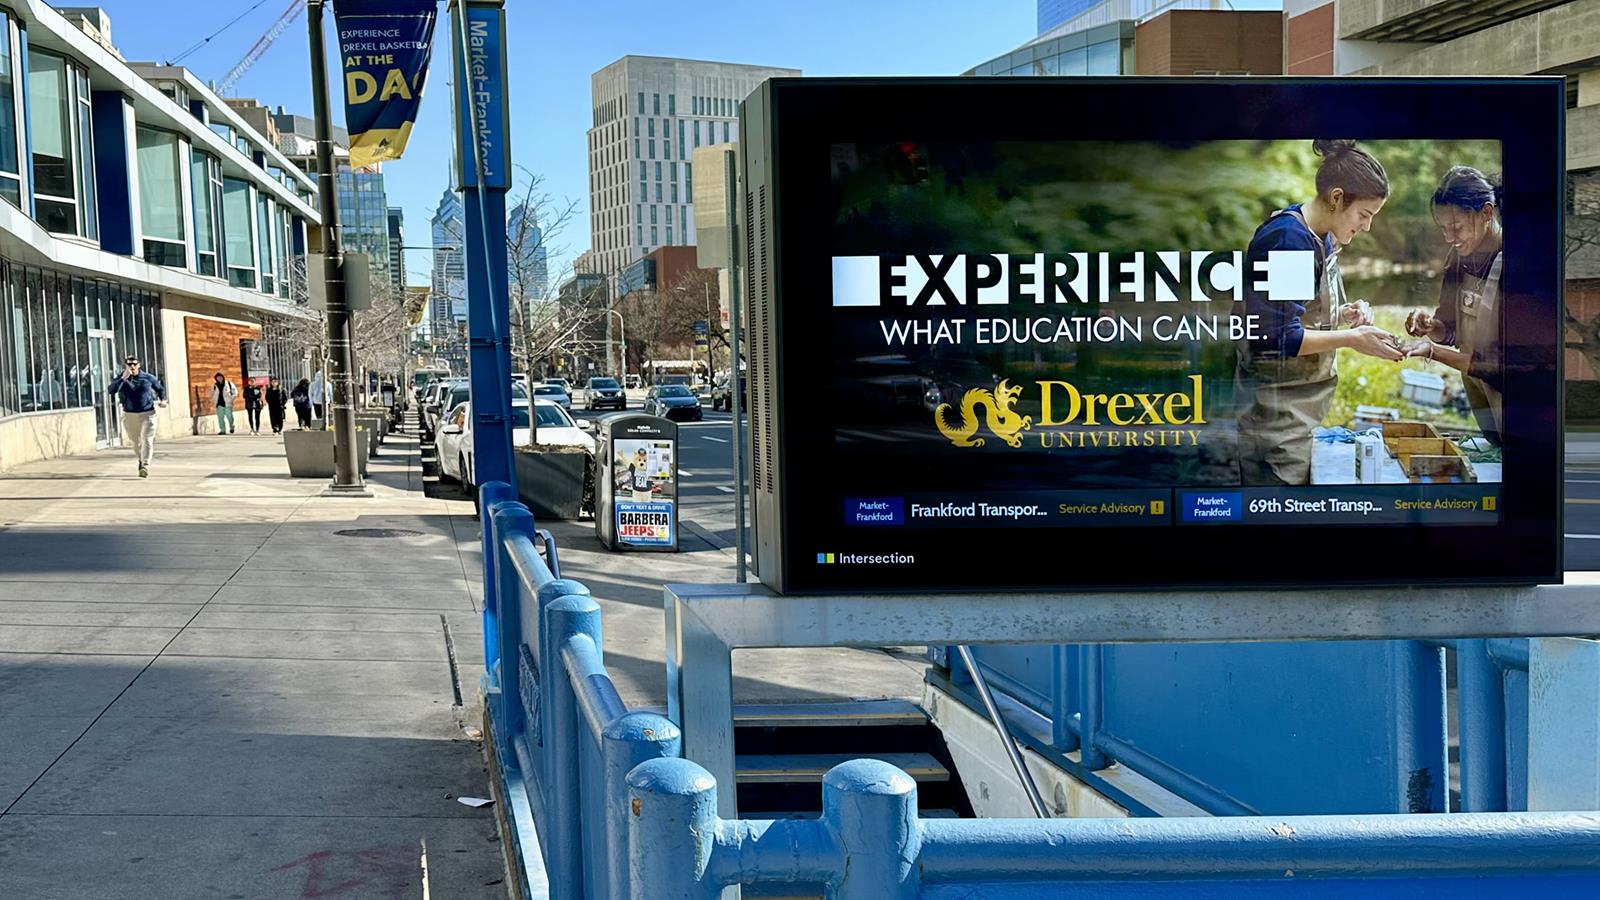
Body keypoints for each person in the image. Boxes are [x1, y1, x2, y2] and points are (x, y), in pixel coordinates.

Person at [1236, 139, 1405, 486]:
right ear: (1337, 198)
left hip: (1299, 416)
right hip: (1275, 421)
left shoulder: (1320, 236)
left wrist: (1343, 313)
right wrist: (1353, 339)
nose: (1367, 226)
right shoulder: (1288, 241)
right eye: (1365, 215)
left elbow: (1296, 309)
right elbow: (1277, 337)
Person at [1401, 166, 1506, 445]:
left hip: (1515, 398)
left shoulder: (1515, 263)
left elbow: (1502, 366)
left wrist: (1433, 352)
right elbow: (1449, 330)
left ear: (1486, 212)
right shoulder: (1458, 256)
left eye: (1456, 227)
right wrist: (1430, 327)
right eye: (1443, 229)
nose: (1450, 238)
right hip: (1477, 388)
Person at [109, 356, 166, 477]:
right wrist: (123, 379)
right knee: (135, 443)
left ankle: (145, 465)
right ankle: (141, 459)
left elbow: (160, 388)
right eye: (129, 364)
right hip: (130, 414)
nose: (132, 366)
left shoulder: (148, 377)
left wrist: (163, 400)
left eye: (134, 364)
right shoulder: (121, 378)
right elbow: (111, 390)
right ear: (125, 366)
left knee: (147, 439)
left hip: (148, 413)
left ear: (139, 365)